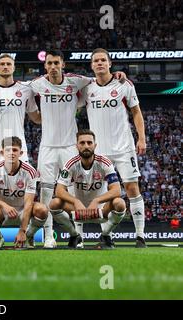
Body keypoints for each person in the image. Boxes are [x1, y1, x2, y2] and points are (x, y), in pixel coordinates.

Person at [26, 50, 126, 248]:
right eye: (49, 63)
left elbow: (98, 77)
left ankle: (79, 237)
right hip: (47, 146)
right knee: (46, 192)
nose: (53, 67)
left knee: (75, 190)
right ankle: (49, 237)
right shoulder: (37, 84)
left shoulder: (77, 81)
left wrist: (116, 75)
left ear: (63, 64)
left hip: (70, 145)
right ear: (45, 66)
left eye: (56, 63)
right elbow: (17, 91)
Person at [80, 48, 147, 248]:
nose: (99, 63)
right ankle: (106, 235)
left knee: (132, 188)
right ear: (91, 65)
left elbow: (136, 112)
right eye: (96, 61)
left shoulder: (124, 84)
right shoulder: (86, 88)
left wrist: (141, 138)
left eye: (103, 60)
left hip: (124, 147)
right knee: (100, 194)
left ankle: (140, 236)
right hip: (98, 151)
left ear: (109, 63)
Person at [49, 129, 126, 249]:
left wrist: (96, 201)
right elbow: (59, 190)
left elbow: (117, 190)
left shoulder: (104, 162)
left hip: (100, 210)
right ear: (77, 146)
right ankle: (74, 235)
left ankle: (105, 235)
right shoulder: (70, 164)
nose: (86, 146)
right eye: (82, 143)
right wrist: (76, 201)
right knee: (54, 203)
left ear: (95, 145)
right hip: (78, 210)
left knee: (120, 203)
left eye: (89, 143)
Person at [0, 137, 49, 248]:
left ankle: (29, 236)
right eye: (8, 150)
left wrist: (23, 231)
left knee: (42, 210)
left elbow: (28, 203)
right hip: (2, 211)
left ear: (20, 153)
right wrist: (4, 205)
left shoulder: (30, 171)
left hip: (23, 210)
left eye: (15, 150)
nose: (11, 153)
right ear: (2, 152)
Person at [0, 54, 41, 165]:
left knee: (20, 182)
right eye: (2, 64)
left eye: (8, 64)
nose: (5, 66)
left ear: (14, 68)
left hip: (18, 146)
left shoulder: (26, 90)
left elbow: (36, 118)